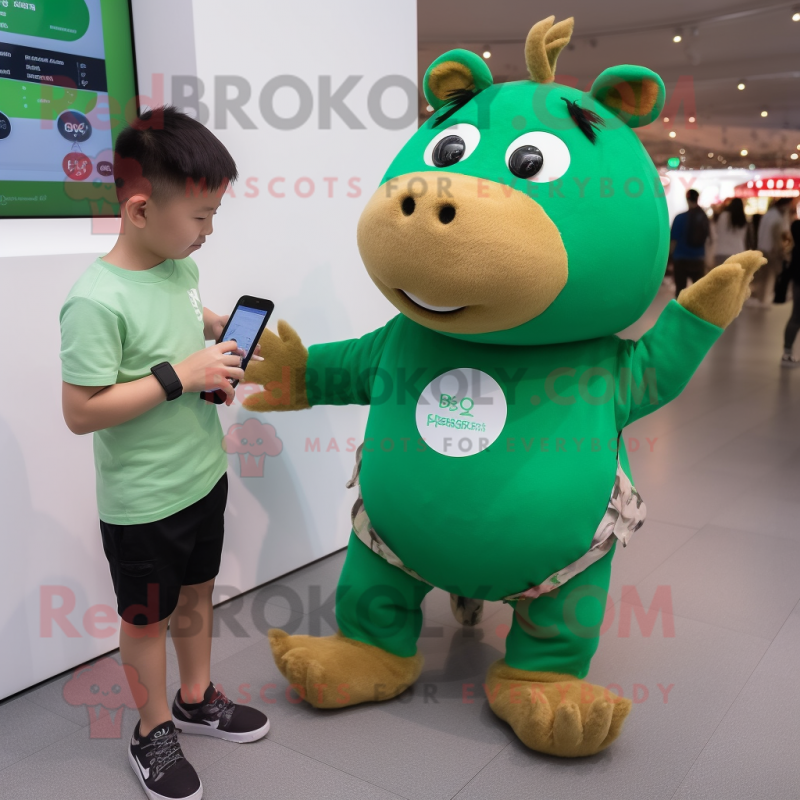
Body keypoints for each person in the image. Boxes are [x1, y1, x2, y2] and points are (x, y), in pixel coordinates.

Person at [59, 106, 269, 800]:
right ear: (142, 209)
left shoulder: (175, 270)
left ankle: (196, 695)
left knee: (198, 593)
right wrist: (183, 372)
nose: (208, 233)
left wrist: (217, 332)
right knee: (145, 617)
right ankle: (152, 729)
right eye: (202, 218)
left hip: (202, 476)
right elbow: (81, 411)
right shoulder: (95, 301)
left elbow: (184, 317)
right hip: (144, 502)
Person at [751, 197, 792, 306]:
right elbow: (777, 238)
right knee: (768, 279)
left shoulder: (768, 215)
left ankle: (759, 299)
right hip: (771, 252)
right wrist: (782, 253)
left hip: (761, 249)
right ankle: (763, 301)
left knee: (762, 278)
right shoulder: (778, 218)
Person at [669, 188, 710, 297]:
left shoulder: (679, 218)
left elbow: (673, 241)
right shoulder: (703, 217)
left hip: (680, 258)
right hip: (698, 258)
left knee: (680, 290)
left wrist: (671, 258)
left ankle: (680, 313)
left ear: (687, 199)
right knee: (698, 292)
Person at [781, 219, 800, 367]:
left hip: (797, 285)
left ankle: (787, 351)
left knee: (795, 317)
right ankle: (787, 352)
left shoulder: (795, 249)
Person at [712, 197, 749, 268]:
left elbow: (717, 231)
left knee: (722, 278)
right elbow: (744, 239)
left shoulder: (723, 216)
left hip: (721, 252)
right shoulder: (743, 220)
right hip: (738, 253)